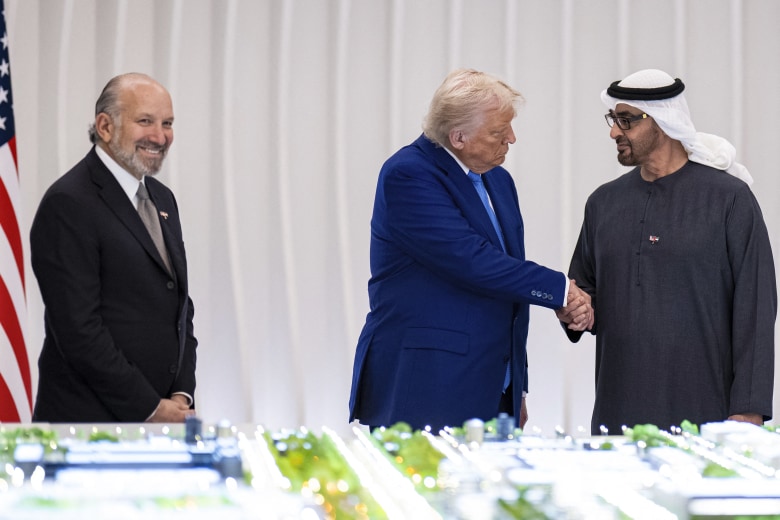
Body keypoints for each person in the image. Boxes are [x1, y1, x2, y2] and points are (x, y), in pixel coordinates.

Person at [349, 69, 593, 432]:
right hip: (427, 383)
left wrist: (516, 388)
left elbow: (507, 281)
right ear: (458, 137)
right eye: (498, 131)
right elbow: (471, 259)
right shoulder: (408, 175)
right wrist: (560, 291)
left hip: (494, 386)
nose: (511, 138)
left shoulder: (498, 179)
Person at [559, 69, 776, 435]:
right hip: (618, 411)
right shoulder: (603, 203)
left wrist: (749, 410)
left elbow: (756, 307)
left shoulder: (729, 198)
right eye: (613, 120)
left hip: (708, 412)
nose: (614, 132)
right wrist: (575, 310)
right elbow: (583, 292)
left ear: (661, 122)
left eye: (626, 121)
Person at [30, 73, 198, 423]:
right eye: (145, 121)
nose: (160, 136)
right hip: (91, 425)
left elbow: (179, 306)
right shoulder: (68, 203)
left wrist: (181, 394)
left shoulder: (162, 198)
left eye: (167, 123)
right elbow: (79, 332)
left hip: (162, 422)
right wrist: (150, 408)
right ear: (105, 127)